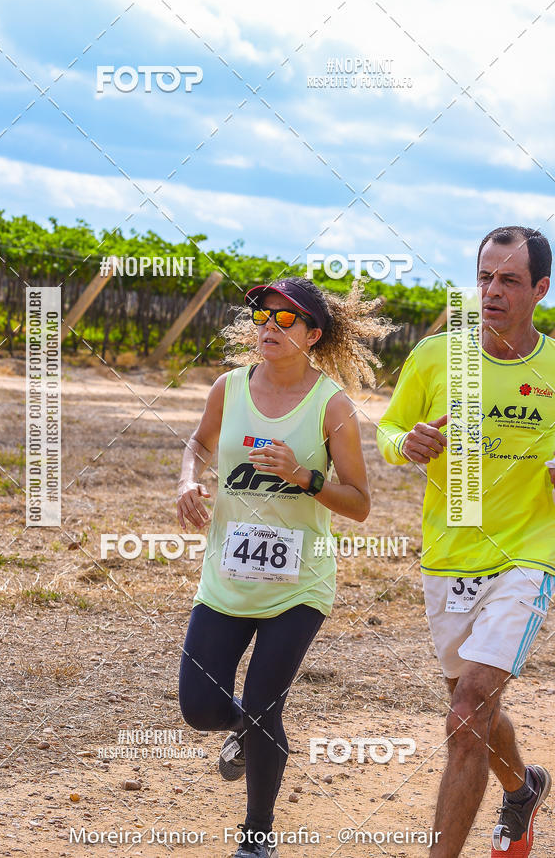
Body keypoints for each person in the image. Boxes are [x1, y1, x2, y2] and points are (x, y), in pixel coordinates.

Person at [177, 276, 390, 857]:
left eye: (284, 319)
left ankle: (257, 836)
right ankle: (250, 731)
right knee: (198, 706)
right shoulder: (228, 387)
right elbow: (197, 445)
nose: (268, 326)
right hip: (226, 576)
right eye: (262, 315)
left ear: (312, 334)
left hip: (299, 584)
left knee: (266, 701)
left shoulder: (332, 406)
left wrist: (304, 476)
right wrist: (188, 482)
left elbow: (361, 503)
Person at [377, 226, 555, 858]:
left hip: (527, 556)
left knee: (469, 706)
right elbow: (391, 430)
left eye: (508, 280)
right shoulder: (435, 358)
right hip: (448, 556)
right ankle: (522, 786)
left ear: (540, 288)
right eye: (484, 277)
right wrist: (409, 443)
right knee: (470, 707)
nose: (491, 292)